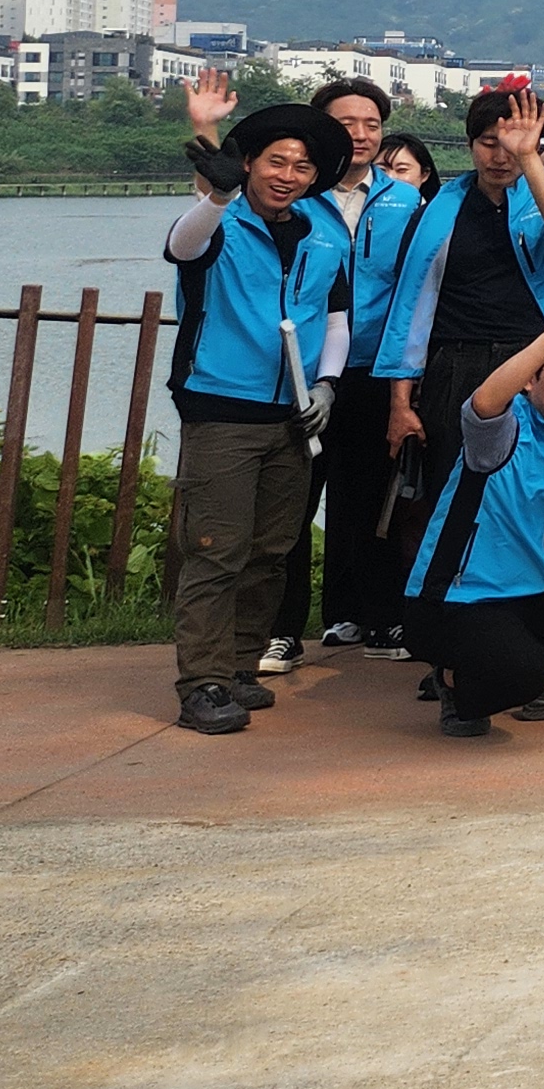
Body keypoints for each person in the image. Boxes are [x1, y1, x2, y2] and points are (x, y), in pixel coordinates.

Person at [155, 85, 356, 734]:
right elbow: (182, 249)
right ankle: (203, 683)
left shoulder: (325, 229)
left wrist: (327, 385)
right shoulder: (222, 217)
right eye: (275, 161)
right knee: (217, 550)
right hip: (222, 408)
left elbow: (336, 315)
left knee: (271, 551)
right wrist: (215, 193)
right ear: (250, 164)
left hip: (293, 414)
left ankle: (241, 667)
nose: (287, 175)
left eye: (301, 166)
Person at [403, 299, 544, 739]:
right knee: (520, 675)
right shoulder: (504, 430)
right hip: (458, 600)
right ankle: (454, 682)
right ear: (530, 381)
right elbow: (482, 403)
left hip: (536, 590)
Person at [376, 85, 544, 490]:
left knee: (531, 486)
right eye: (487, 143)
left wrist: (530, 158)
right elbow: (409, 308)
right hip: (456, 364)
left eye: (512, 144)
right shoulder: (437, 212)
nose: (500, 156)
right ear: (470, 144)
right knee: (453, 488)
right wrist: (400, 404)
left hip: (535, 360)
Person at [291, 74, 424, 665]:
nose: (362, 135)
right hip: (299, 373)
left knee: (371, 501)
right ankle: (282, 627)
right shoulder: (293, 194)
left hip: (375, 371)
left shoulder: (404, 201)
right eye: (348, 123)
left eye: (372, 124)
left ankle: (375, 618)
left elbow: (419, 291)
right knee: (292, 501)